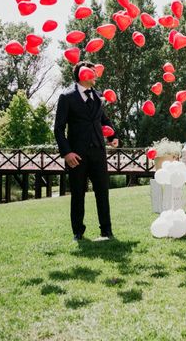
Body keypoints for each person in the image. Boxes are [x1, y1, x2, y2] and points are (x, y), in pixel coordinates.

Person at [54, 61, 118, 241]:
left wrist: (113, 137)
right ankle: (78, 232)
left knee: (102, 192)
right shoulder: (66, 97)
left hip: (98, 152)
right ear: (83, 75)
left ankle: (106, 231)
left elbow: (104, 120)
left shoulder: (98, 96)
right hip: (77, 155)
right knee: (78, 194)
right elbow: (58, 128)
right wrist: (67, 153)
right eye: (92, 72)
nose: (96, 75)